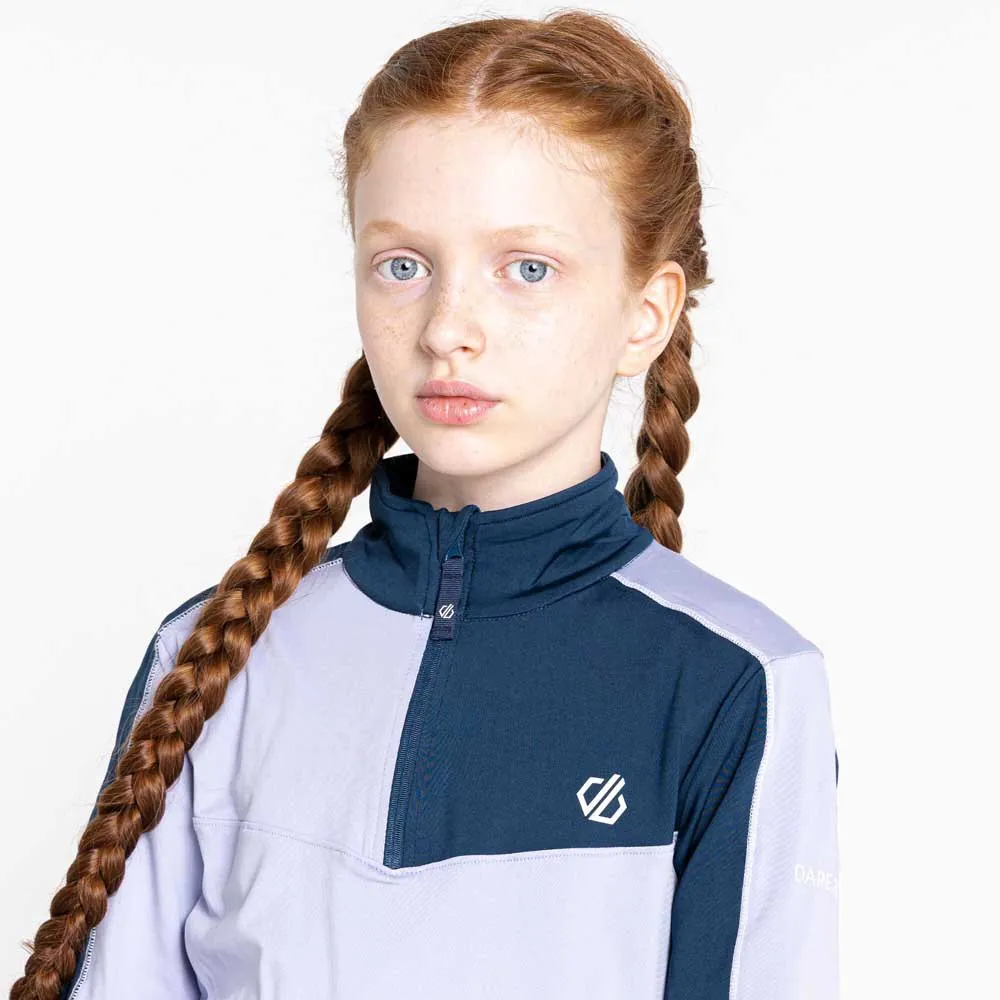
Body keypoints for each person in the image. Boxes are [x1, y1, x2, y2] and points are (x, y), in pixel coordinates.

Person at [10, 10, 839, 1000]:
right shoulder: (212, 655)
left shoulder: (741, 682)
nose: (448, 327)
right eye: (402, 265)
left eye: (526, 268)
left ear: (645, 312)